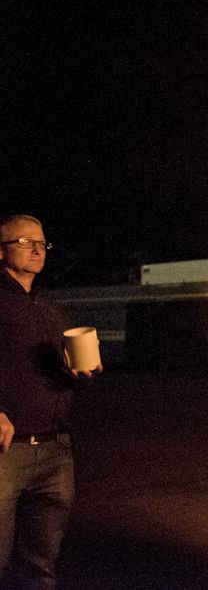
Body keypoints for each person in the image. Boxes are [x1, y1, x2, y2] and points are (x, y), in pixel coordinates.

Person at [0, 214, 100, 589]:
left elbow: (64, 372)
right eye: (25, 242)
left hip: (56, 450)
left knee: (40, 567)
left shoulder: (49, 310)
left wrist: (81, 372)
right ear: (0, 251)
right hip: (7, 452)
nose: (37, 249)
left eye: (42, 243)